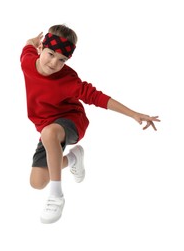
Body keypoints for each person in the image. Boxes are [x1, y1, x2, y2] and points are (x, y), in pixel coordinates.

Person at [20, 24, 160, 224]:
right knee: (37, 182)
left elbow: (97, 97)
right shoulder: (27, 60)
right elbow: (27, 46)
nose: (54, 63)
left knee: (49, 133)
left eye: (62, 60)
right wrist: (30, 42)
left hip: (72, 121)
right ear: (41, 49)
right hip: (47, 126)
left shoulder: (67, 79)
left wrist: (133, 114)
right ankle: (74, 158)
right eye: (50, 54)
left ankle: (56, 196)